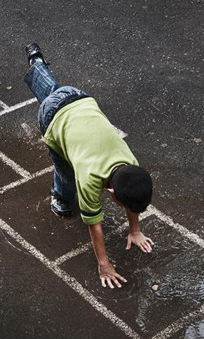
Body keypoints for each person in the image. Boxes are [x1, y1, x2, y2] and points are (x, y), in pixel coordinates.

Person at [23, 43, 154, 288]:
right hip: (53, 117)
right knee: (66, 174)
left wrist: (135, 230)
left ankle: (36, 63)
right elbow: (94, 226)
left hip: (79, 98)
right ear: (111, 192)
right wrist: (104, 265)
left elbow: (134, 197)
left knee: (53, 90)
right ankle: (58, 197)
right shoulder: (90, 179)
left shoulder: (131, 166)